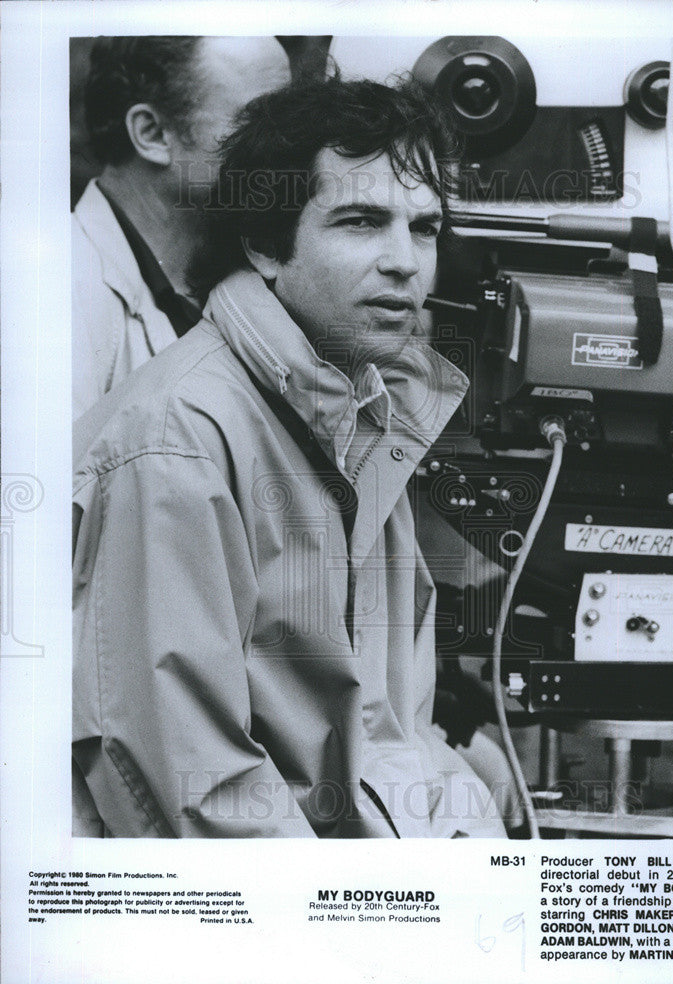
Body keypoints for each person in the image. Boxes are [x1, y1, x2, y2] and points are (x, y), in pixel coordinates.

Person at [72, 76, 507, 839]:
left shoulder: (369, 417)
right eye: (362, 222)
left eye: (426, 228)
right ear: (266, 245)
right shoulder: (175, 440)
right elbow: (197, 796)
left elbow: (394, 739)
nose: (405, 261)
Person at [72, 36, 291, 418]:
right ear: (151, 133)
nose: (291, 145)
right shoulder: (59, 285)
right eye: (258, 120)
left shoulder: (257, 275)